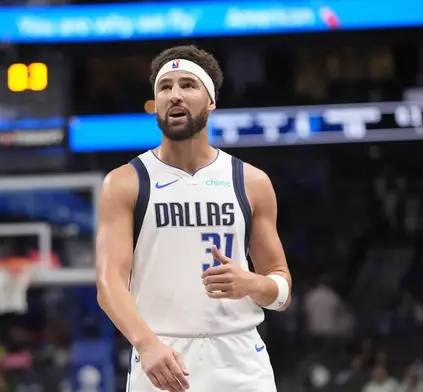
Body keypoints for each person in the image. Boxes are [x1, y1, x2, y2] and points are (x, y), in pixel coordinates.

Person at [95, 45, 292, 392]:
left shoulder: (251, 181)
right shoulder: (125, 182)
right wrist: (145, 343)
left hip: (240, 357)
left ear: (211, 101)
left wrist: (251, 284)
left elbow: (282, 288)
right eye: (165, 87)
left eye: (187, 85)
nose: (174, 95)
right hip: (160, 353)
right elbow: (109, 282)